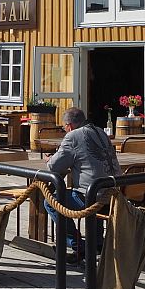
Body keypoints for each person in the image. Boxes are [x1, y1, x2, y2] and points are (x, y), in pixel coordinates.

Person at [44, 106, 121, 260]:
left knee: (51, 202)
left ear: (69, 126)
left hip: (92, 196)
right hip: (114, 195)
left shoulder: (73, 136)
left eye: (64, 127)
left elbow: (54, 166)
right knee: (94, 192)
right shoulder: (101, 131)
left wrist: (49, 158)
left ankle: (78, 245)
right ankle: (97, 243)